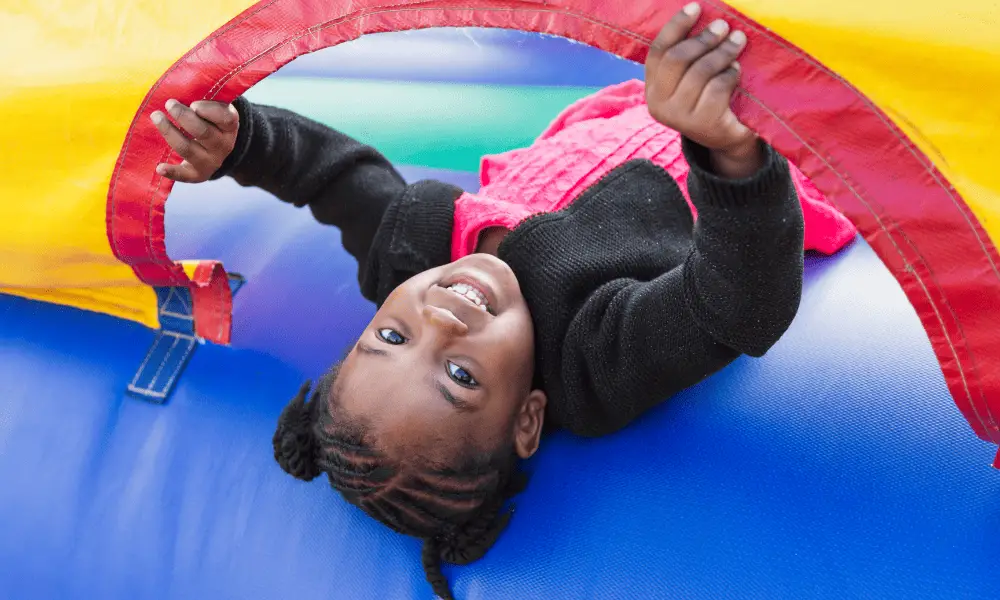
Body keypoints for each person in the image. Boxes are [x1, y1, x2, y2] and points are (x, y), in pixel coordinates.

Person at [150, 4, 853, 598]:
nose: (440, 321)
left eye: (391, 339)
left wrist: (240, 141)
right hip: (761, 152)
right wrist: (727, 154)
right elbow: (737, 309)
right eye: (461, 376)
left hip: (619, 113)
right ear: (528, 420)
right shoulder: (592, 359)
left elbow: (332, 177)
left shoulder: (415, 261)